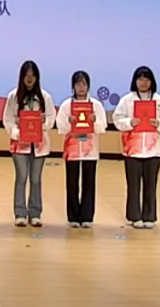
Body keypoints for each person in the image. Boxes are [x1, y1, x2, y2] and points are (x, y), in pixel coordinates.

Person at [112, 66, 160, 229]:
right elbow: (117, 119)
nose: (143, 82)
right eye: (140, 79)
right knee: (133, 186)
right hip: (132, 150)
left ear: (152, 81)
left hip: (154, 150)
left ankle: (149, 216)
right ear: (135, 81)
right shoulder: (127, 100)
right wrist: (129, 122)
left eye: (146, 79)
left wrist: (159, 123)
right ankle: (134, 216)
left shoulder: (159, 101)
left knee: (150, 185)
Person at [3, 60, 57, 227]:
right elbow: (8, 120)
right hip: (20, 145)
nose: (29, 78)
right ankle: (20, 213)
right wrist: (18, 133)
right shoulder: (13, 96)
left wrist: (43, 123)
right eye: (27, 75)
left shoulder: (45, 97)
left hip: (39, 145)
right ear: (22, 77)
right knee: (21, 177)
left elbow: (51, 118)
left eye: (32, 75)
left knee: (35, 178)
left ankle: (35, 213)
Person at [55, 70, 107, 228]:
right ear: (73, 86)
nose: (81, 87)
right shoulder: (66, 105)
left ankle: (87, 217)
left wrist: (94, 121)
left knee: (89, 183)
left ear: (88, 85)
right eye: (78, 84)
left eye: (84, 84)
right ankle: (73, 217)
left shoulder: (96, 105)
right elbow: (60, 128)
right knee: (72, 183)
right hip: (72, 150)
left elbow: (102, 127)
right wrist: (69, 122)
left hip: (90, 151)